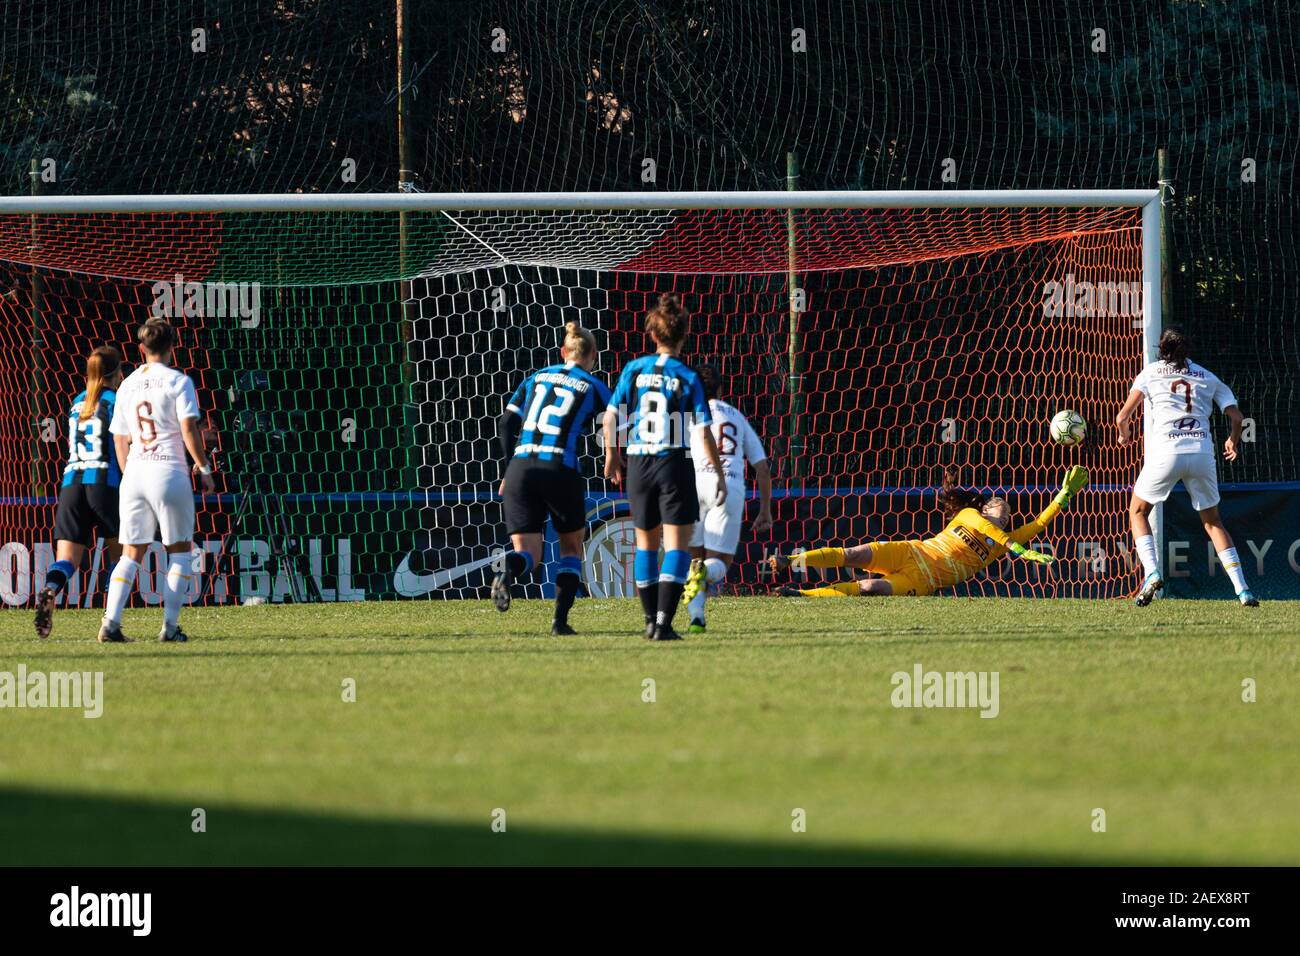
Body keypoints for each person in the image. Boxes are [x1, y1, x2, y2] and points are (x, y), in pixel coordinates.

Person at [603, 293, 726, 641]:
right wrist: (716, 473)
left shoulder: (634, 368)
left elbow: (611, 416)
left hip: (639, 461)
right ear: (683, 335)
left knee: (645, 544)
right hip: (673, 461)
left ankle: (647, 621)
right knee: (676, 547)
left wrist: (612, 454)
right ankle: (664, 624)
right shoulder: (687, 376)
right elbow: (702, 430)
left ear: (652, 335)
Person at [769, 466, 1088, 596]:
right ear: (984, 510)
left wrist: (1062, 496)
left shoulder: (1001, 542)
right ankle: (790, 561)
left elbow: (1039, 524)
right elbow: (991, 531)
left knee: (867, 589)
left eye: (1005, 515)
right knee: (850, 555)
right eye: (996, 507)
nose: (1002, 511)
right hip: (912, 550)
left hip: (922, 580)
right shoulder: (969, 516)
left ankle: (800, 594)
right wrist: (1018, 549)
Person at [1116, 327, 1258, 607]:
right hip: (1201, 453)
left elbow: (1122, 416)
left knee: (1137, 511)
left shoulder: (1151, 373)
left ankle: (1152, 572)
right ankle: (1243, 591)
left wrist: (1124, 433)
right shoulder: (1207, 376)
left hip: (1166, 452)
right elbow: (1237, 416)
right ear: (1187, 351)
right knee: (1213, 522)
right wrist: (1232, 441)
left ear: (1162, 349)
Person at [99, 319, 214, 643]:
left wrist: (130, 476)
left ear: (141, 349)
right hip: (169, 471)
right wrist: (204, 469)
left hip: (134, 473)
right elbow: (189, 430)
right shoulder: (179, 382)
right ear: (173, 347)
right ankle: (169, 628)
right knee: (179, 552)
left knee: (129, 555)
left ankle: (110, 624)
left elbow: (120, 441)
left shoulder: (127, 384)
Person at [493, 321, 612, 634]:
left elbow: (506, 423)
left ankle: (506, 572)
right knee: (571, 549)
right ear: (593, 356)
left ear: (563, 351)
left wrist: (509, 467)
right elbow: (616, 420)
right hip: (559, 467)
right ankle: (560, 622)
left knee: (528, 555)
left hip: (520, 467)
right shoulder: (593, 385)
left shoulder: (535, 378)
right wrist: (615, 457)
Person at [34, 346, 126, 638]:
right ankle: (111, 624)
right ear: (117, 373)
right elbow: (124, 443)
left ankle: (50, 589)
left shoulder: (77, 402)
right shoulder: (117, 400)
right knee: (120, 558)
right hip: (104, 484)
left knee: (68, 561)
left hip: (71, 485)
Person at [681, 364, 772, 633]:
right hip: (729, 485)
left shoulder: (688, 416)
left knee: (694, 559)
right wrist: (765, 510)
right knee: (721, 562)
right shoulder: (736, 416)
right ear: (721, 389)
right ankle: (700, 598)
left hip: (694, 485)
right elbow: (762, 467)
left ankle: (697, 617)